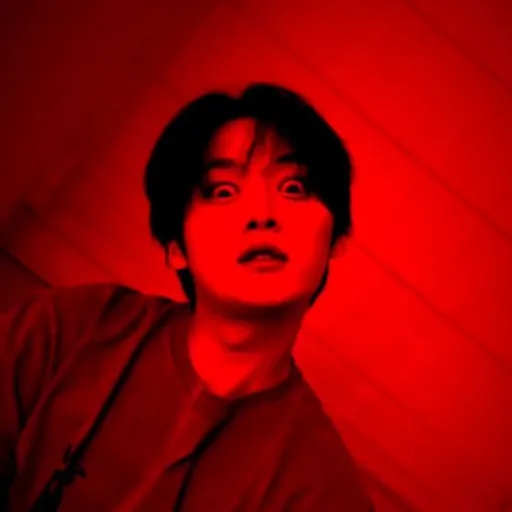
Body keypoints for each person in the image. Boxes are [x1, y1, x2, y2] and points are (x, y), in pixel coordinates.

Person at [0, 83, 373, 511]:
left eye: (293, 188)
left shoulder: (321, 489)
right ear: (176, 247)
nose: (262, 214)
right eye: (223, 191)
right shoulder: (73, 329)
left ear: (336, 239)